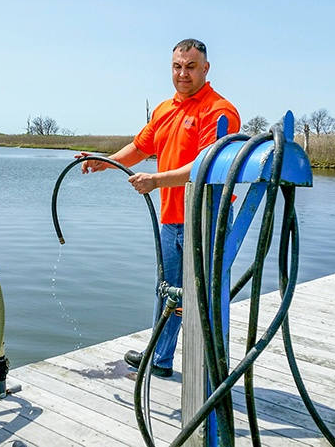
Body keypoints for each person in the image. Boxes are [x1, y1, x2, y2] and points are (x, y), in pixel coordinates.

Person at [77, 38, 240, 377]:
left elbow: (205, 167)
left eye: (191, 67)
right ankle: (160, 358)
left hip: (207, 218)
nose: (183, 74)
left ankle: (209, 370)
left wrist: (155, 181)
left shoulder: (219, 111)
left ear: (205, 69)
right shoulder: (165, 110)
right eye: (178, 67)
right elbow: (139, 147)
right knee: (168, 292)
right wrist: (103, 162)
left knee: (203, 294)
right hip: (171, 218)